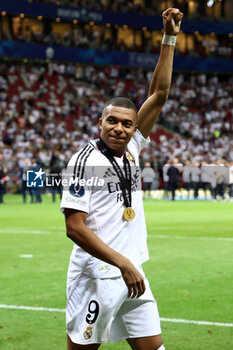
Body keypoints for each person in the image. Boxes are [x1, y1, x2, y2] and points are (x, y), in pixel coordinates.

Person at [60, 8, 183, 350]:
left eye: (127, 124)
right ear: (100, 123)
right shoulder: (86, 162)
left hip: (133, 274)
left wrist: (169, 36)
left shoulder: (132, 150)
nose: (119, 128)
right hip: (98, 276)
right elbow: (75, 227)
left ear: (134, 130)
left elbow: (159, 94)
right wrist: (122, 262)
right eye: (112, 121)